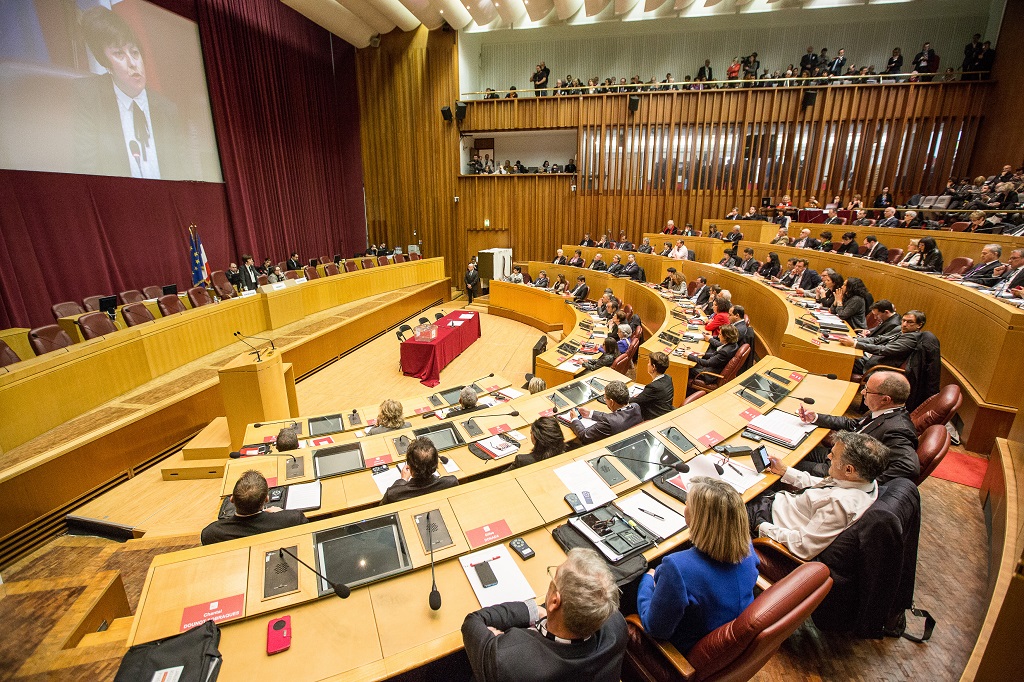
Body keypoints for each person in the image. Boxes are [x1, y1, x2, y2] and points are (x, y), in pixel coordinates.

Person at [461, 547, 626, 682]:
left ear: (555, 601)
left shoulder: (508, 657)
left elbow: (472, 623)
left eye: (554, 577)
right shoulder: (616, 626)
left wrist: (532, 610)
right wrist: (542, 611)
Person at [637, 477, 758, 653]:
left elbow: (655, 628)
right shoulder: (747, 545)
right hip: (725, 641)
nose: (685, 508)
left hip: (685, 652)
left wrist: (647, 581)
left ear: (698, 519)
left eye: (687, 504)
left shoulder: (678, 568)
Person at [74, 7, 185, 180]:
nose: (133, 63)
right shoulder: (88, 96)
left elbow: (183, 175)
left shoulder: (167, 110)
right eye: (119, 53)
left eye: (135, 52)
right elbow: (86, 170)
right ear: (106, 63)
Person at [746, 431, 888, 560]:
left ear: (849, 470)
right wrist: (784, 471)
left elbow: (803, 546)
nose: (828, 456)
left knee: (727, 497)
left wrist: (761, 526)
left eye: (833, 455)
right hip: (779, 503)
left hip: (769, 520)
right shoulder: (866, 481)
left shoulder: (840, 505)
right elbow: (822, 486)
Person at [797, 371, 920, 484]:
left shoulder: (897, 430)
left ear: (885, 399)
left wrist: (860, 483)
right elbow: (853, 425)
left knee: (789, 465)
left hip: (839, 471)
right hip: (836, 456)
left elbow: (909, 467)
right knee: (797, 449)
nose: (862, 392)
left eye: (867, 390)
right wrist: (815, 418)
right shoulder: (884, 412)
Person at [201, 470, 308, 545]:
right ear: (266, 499)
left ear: (232, 500)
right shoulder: (293, 519)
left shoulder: (211, 533)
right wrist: (282, 514)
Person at [839, 309, 926, 373]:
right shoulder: (899, 329)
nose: (904, 324)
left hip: (876, 365)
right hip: (870, 356)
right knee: (842, 352)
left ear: (919, 325)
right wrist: (854, 339)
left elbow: (884, 350)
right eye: (903, 320)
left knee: (842, 359)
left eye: (909, 322)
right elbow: (878, 339)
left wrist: (855, 344)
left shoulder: (912, 338)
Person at [380, 437, 458, 505]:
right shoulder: (451, 482)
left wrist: (402, 480)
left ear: (409, 467)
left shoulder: (392, 494)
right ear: (436, 464)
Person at [567, 381, 643, 444]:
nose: (605, 400)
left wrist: (575, 419)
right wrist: (590, 413)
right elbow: (616, 416)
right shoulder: (635, 407)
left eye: (605, 398)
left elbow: (584, 436)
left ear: (612, 402)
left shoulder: (609, 422)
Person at [630, 352, 674, 419]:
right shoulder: (668, 378)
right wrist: (643, 395)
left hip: (655, 418)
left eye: (649, 363)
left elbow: (633, 401)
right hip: (666, 412)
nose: (647, 365)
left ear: (653, 367)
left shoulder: (653, 387)